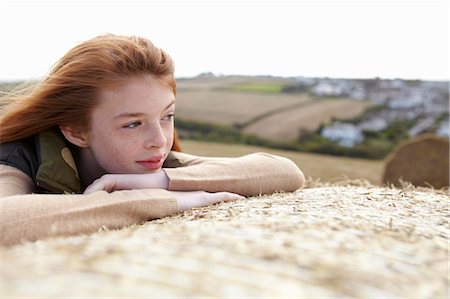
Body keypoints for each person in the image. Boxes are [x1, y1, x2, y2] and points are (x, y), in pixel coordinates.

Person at [0, 34, 305, 246]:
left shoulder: (152, 163)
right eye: (133, 123)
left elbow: (284, 171)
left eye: (167, 116)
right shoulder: (15, 157)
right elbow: (5, 221)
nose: (159, 140)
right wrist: (169, 202)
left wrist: (160, 182)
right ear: (76, 130)